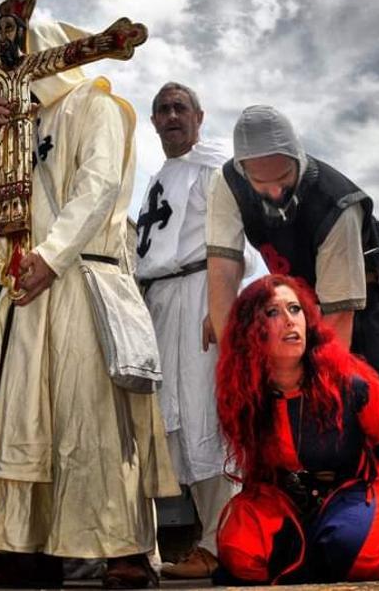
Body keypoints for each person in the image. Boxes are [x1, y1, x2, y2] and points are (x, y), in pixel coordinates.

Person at [0, 16, 178, 589]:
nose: (11, 77)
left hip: (83, 284)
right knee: (25, 422)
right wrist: (0, 136)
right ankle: (26, 547)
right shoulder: (22, 123)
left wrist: (52, 255)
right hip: (28, 293)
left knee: (92, 416)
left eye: (18, 64)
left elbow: (100, 185)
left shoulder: (97, 104)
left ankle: (124, 551)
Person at [205, 104, 379, 574]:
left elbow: (338, 324)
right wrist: (238, 359)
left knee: (376, 390)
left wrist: (317, 385)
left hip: (364, 292)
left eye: (282, 177)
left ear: (298, 158)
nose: (272, 191)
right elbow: (223, 266)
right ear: (242, 169)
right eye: (260, 182)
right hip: (297, 293)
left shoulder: (335, 204)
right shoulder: (228, 182)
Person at [214, 275, 379, 583]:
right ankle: (310, 551)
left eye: (295, 309)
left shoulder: (352, 382)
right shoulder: (243, 395)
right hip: (281, 499)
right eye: (273, 312)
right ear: (251, 330)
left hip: (353, 491)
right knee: (241, 555)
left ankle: (326, 547)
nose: (290, 320)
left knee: (361, 556)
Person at [134, 82, 236, 579]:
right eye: (162, 109)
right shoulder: (158, 178)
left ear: (200, 115)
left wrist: (221, 305)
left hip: (201, 293)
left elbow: (234, 239)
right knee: (168, 420)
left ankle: (222, 542)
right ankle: (201, 540)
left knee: (204, 418)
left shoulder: (216, 166)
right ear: (153, 122)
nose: (171, 115)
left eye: (180, 107)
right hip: (160, 301)